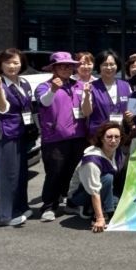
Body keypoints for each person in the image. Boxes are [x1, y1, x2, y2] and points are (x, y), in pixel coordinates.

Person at [35, 52, 91, 222]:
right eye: (61, 66)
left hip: (78, 136)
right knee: (54, 173)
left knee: (74, 173)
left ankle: (71, 202)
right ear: (54, 68)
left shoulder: (79, 85)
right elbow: (44, 102)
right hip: (55, 138)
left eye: (69, 66)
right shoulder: (44, 86)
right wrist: (53, 89)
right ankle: (49, 206)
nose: (66, 69)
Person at [0, 49, 34, 226]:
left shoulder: (24, 83)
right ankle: (5, 216)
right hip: (5, 134)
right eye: (7, 62)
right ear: (0, 64)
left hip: (22, 132)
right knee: (6, 175)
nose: (12, 66)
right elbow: (2, 108)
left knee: (20, 173)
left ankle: (20, 208)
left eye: (16, 62)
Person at [66, 121, 126, 233]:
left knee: (122, 203)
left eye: (117, 137)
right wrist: (100, 218)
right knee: (107, 178)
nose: (113, 140)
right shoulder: (91, 159)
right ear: (102, 139)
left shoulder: (117, 152)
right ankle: (100, 211)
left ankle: (98, 207)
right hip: (80, 195)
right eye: (109, 137)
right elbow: (94, 191)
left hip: (102, 189)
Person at [87, 50, 132, 139]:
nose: (109, 67)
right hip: (99, 137)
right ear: (99, 66)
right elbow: (86, 112)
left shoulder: (126, 86)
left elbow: (131, 109)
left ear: (117, 65)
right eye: (105, 64)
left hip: (121, 136)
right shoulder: (91, 87)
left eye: (112, 64)